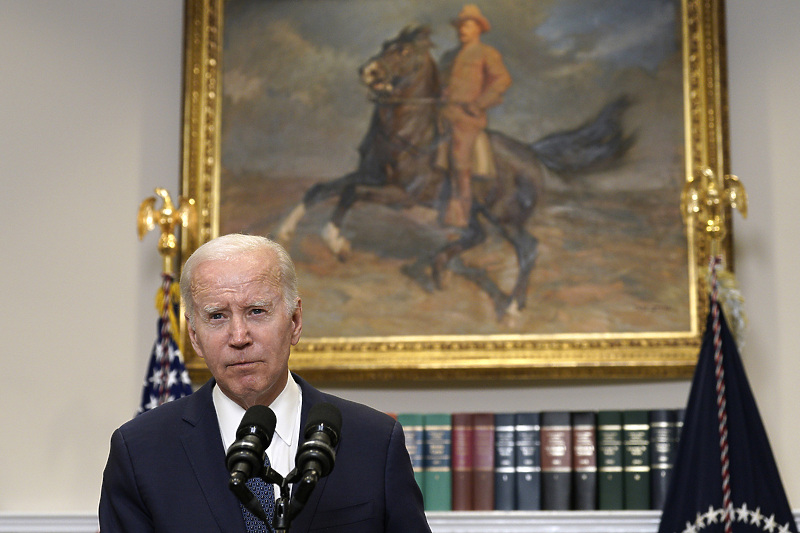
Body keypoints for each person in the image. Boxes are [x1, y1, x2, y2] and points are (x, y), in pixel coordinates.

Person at [99, 233, 431, 533]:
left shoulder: (373, 441)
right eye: (217, 316)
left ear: (295, 321)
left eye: (257, 311)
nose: (239, 337)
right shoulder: (140, 452)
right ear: (195, 337)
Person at [438, 4, 512, 228]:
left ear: (479, 28)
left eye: (467, 25)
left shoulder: (486, 53)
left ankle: (462, 215)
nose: (462, 30)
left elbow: (502, 80)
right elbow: (442, 83)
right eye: (460, 26)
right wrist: (442, 92)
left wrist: (480, 104)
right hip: (443, 115)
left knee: (460, 160)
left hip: (467, 119)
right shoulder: (449, 56)